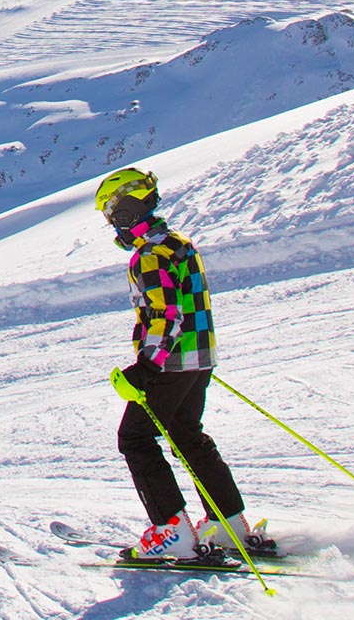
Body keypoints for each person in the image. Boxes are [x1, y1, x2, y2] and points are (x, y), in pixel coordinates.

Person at [95, 168, 273, 561]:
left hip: (170, 363)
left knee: (136, 438)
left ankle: (171, 531)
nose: (112, 224)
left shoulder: (150, 255)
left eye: (111, 213)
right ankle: (228, 524)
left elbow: (166, 314)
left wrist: (146, 367)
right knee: (186, 434)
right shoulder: (178, 243)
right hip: (199, 358)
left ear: (126, 210)